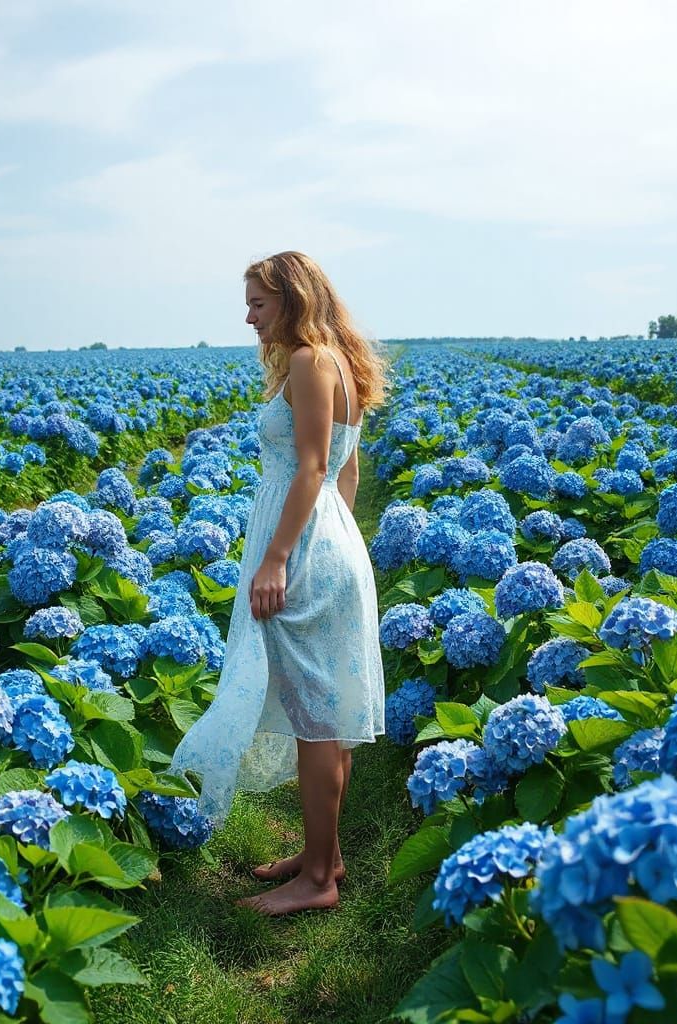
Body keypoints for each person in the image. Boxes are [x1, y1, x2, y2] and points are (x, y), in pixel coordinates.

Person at [168, 250, 391, 915]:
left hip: (303, 552)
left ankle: (317, 880)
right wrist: (329, 543)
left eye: (258, 304)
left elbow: (315, 468)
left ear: (291, 300)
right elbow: (346, 476)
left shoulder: (307, 361)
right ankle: (324, 856)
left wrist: (278, 558)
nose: (248, 316)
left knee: (319, 721)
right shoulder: (337, 363)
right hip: (328, 543)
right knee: (321, 713)